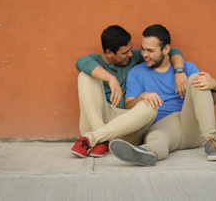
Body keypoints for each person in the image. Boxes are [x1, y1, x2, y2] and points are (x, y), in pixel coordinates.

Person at [109, 23, 216, 165]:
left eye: (150, 51)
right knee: (157, 139)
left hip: (188, 123)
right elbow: (128, 108)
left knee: (197, 79)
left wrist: (215, 87)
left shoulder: (187, 68)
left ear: (166, 49)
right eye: (143, 49)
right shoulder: (137, 72)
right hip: (161, 127)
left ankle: (211, 141)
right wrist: (141, 96)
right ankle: (145, 153)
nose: (144, 54)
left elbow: (207, 104)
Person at [72, 25, 187, 158]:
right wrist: (110, 78)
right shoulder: (94, 60)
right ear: (109, 53)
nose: (131, 54)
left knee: (150, 104)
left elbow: (172, 50)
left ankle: (94, 139)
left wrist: (179, 70)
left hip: (126, 128)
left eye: (131, 50)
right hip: (97, 120)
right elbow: (81, 62)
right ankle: (100, 137)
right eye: (125, 52)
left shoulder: (134, 57)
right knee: (85, 75)